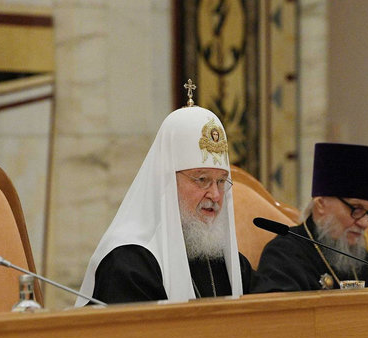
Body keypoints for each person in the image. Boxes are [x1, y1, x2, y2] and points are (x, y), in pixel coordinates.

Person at [75, 87, 251, 305]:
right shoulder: (128, 263)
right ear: (166, 182)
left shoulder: (231, 265)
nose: (215, 195)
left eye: (221, 181)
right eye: (202, 179)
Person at [251, 143, 368, 292]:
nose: (364, 223)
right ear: (321, 204)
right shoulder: (284, 254)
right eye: (357, 209)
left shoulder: (362, 262)